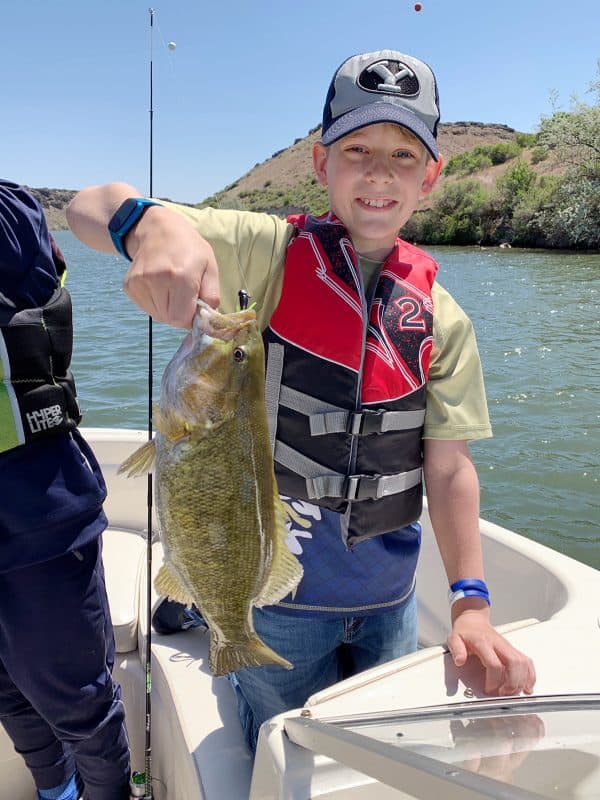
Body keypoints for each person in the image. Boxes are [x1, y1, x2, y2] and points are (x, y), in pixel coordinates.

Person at [66, 48, 536, 754]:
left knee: (375, 749)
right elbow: (86, 209)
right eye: (357, 149)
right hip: (278, 599)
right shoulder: (268, 254)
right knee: (278, 744)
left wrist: (469, 604)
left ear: (433, 176)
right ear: (320, 164)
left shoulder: (444, 320)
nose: (379, 172)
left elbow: (448, 470)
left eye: (404, 155)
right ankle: (225, 651)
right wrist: (147, 225)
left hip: (389, 600)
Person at [0, 179, 131, 799]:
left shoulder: (9, 212)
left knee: (80, 699)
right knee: (4, 685)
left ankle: (108, 792)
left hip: (37, 513)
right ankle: (58, 791)